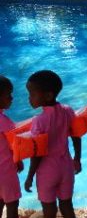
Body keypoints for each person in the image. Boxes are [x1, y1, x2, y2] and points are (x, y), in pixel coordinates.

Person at [24, 70, 81, 218]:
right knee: (67, 205)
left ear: (48, 95)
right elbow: (76, 135)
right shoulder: (68, 111)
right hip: (66, 168)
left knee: (49, 210)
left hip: (47, 172)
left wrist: (30, 176)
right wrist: (77, 158)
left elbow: (37, 153)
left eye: (32, 94)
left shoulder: (39, 121)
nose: (29, 98)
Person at [0, 75, 23, 218]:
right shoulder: (5, 122)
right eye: (9, 94)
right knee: (12, 204)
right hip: (6, 172)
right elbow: (14, 144)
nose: (12, 98)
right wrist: (18, 160)